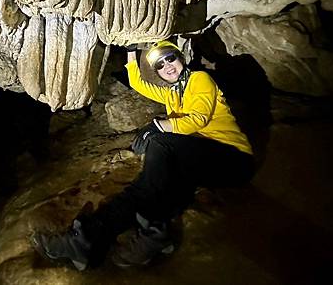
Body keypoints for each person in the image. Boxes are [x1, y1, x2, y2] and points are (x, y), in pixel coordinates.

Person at [32, 40, 255, 269]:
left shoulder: (199, 79)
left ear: (181, 58)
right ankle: (88, 240)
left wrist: (158, 127)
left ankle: (149, 231)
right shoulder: (172, 93)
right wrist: (130, 51)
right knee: (147, 189)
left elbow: (198, 120)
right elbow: (138, 83)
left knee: (157, 155)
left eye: (170, 58)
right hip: (200, 160)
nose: (167, 65)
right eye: (160, 64)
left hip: (234, 158)